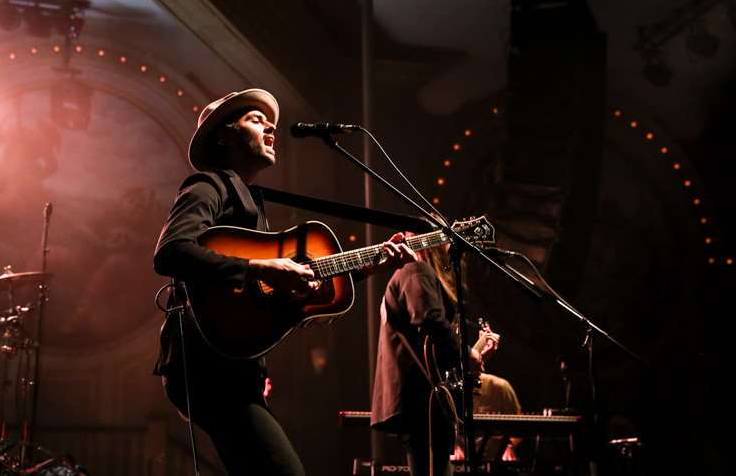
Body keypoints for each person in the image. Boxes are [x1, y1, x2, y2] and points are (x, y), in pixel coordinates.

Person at [152, 88, 409, 475]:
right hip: (208, 366)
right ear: (223, 134)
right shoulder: (207, 186)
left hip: (237, 369)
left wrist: (363, 267)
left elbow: (278, 294)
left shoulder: (255, 209)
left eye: (268, 120)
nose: (270, 125)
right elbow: (170, 253)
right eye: (254, 120)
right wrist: (261, 269)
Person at [371, 237, 496, 476]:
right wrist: (466, 353)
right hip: (422, 399)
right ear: (436, 246)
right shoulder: (416, 269)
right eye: (448, 243)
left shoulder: (409, 275)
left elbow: (428, 347)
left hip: (420, 398)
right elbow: (429, 319)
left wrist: (474, 356)